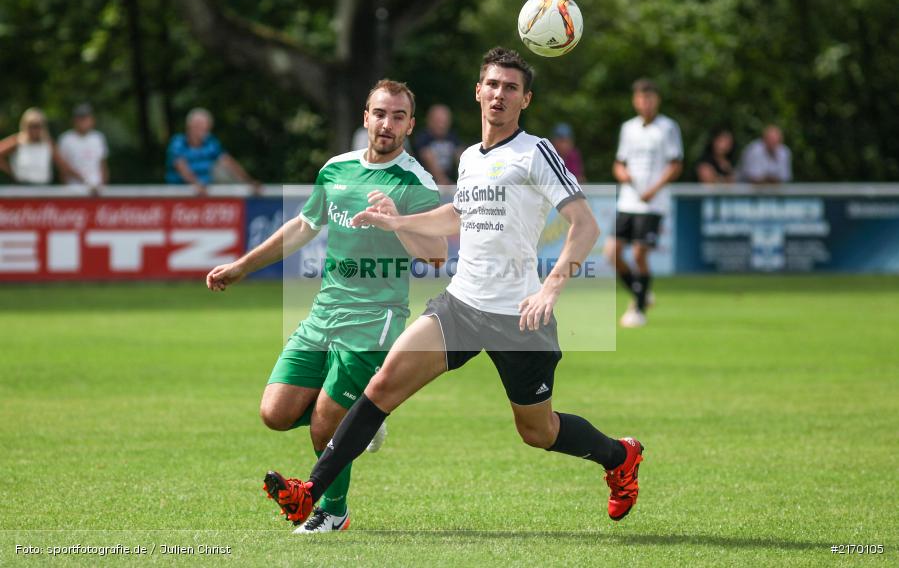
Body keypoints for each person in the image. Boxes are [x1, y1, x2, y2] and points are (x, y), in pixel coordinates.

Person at [262, 48, 645, 527]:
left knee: (538, 431)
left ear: (525, 99)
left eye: (510, 87)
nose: (499, 94)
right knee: (380, 386)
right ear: (477, 91)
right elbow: (458, 215)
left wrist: (550, 289)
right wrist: (400, 221)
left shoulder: (535, 152)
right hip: (460, 306)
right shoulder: (468, 157)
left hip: (518, 316)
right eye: (492, 84)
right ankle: (311, 493)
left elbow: (584, 225)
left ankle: (618, 458)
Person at [206, 80, 445, 533]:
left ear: (411, 125)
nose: (387, 124)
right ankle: (361, 420)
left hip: (376, 320)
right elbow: (303, 225)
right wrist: (242, 266)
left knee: (323, 424)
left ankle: (333, 511)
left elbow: (435, 255)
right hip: (324, 313)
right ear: (365, 117)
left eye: (398, 117)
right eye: (380, 113)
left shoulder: (416, 182)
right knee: (275, 413)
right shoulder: (336, 169)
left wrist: (396, 220)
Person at [610, 79, 683, 329]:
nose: (645, 102)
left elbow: (675, 164)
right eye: (641, 98)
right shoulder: (628, 128)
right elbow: (619, 163)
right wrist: (622, 174)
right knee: (612, 253)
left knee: (640, 253)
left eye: (649, 98)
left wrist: (654, 189)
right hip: (628, 201)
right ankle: (642, 293)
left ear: (657, 100)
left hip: (653, 203)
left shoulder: (668, 128)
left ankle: (638, 310)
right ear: (635, 100)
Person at [166, 108, 260, 194]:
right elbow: (180, 165)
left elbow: (228, 162)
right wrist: (196, 183)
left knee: (221, 170)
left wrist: (249, 182)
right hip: (180, 194)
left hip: (205, 192)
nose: (203, 131)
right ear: (189, 126)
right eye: (199, 127)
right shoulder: (178, 142)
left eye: (206, 127)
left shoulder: (210, 142)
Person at [0, 108, 78, 184]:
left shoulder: (48, 143)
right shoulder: (17, 141)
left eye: (37, 126)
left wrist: (82, 179)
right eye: (31, 126)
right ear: (25, 125)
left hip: (42, 188)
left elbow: (63, 165)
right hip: (22, 188)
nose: (34, 130)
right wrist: (12, 172)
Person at [58, 103, 109, 191]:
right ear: (74, 120)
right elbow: (63, 168)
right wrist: (66, 190)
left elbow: (103, 165)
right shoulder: (66, 139)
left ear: (92, 120)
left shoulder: (98, 138)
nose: (83, 121)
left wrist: (103, 186)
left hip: (96, 190)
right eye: (80, 118)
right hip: (73, 189)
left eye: (86, 118)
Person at [414, 104, 463, 185]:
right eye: (438, 121)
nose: (441, 124)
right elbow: (427, 157)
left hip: (447, 185)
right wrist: (444, 181)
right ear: (429, 121)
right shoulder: (423, 138)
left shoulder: (452, 138)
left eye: (444, 121)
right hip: (424, 184)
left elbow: (461, 157)